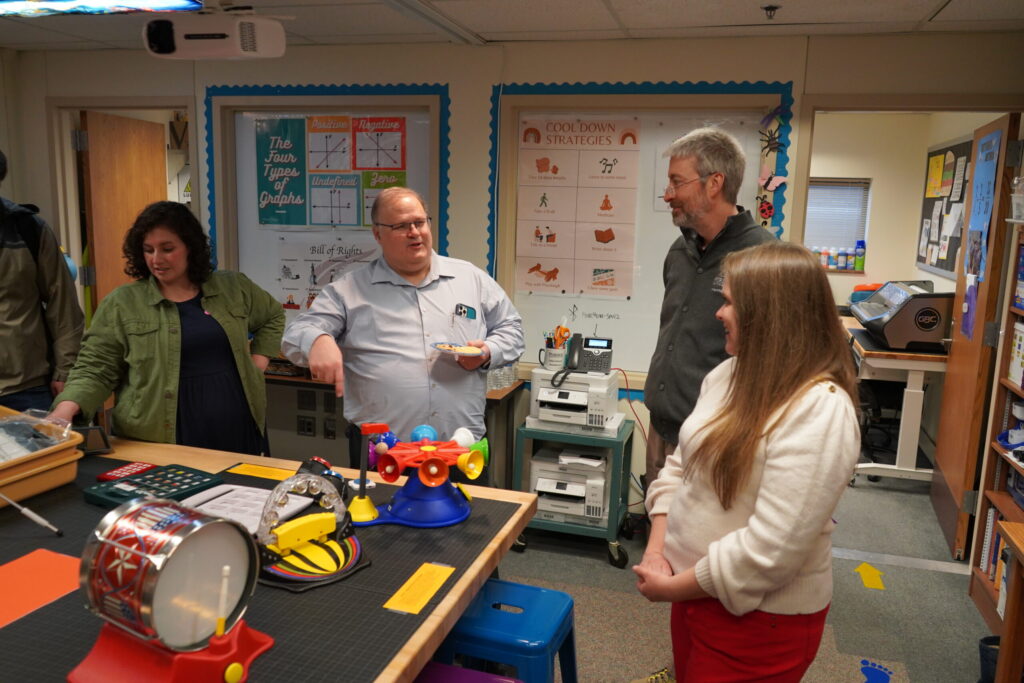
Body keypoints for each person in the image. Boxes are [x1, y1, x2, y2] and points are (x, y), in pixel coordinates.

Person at [634, 242, 860, 682]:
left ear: (771, 315)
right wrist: (659, 552)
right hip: (693, 593)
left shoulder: (820, 409)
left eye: (731, 302)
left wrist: (672, 588)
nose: (719, 313)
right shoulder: (728, 375)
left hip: (760, 621)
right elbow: (681, 468)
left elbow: (771, 552)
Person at [281, 187, 524, 443]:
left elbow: (512, 330)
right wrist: (318, 340)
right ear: (378, 234)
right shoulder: (349, 290)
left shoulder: (471, 279)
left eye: (420, 222)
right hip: (383, 452)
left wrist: (487, 352)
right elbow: (296, 333)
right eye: (400, 226)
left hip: (458, 448)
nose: (415, 232)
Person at [51, 201, 283, 455]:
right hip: (158, 435)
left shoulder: (232, 287)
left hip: (238, 426)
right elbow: (95, 368)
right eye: (148, 250)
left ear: (190, 248)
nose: (156, 259)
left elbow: (272, 315)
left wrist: (258, 362)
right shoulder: (123, 303)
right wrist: (65, 409)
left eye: (167, 249)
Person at [643, 127, 775, 492]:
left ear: (714, 183)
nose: (668, 195)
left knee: (703, 541)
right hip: (662, 426)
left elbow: (769, 358)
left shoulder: (760, 257)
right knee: (660, 530)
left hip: (716, 438)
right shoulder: (678, 251)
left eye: (676, 182)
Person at [0, 149, 84, 413]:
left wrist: (65, 369)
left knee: (43, 456)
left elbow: (64, 305)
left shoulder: (28, 229)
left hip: (26, 389)